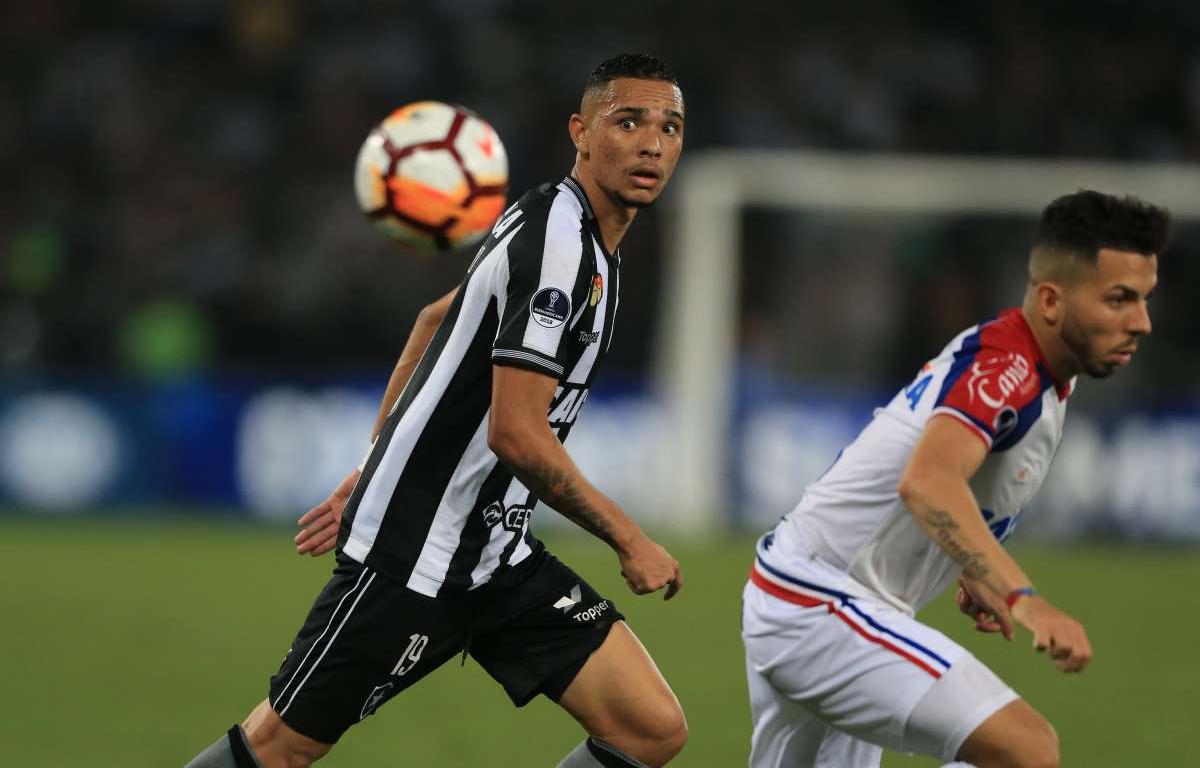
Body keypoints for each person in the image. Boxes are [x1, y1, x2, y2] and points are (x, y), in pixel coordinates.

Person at [185, 53, 688, 768]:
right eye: (628, 121)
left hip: (495, 555)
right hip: (414, 553)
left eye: (669, 127)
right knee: (278, 747)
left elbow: (432, 321)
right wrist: (628, 538)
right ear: (580, 131)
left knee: (651, 726)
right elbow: (515, 433)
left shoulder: (575, 233)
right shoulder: (558, 246)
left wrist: (367, 464)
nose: (651, 144)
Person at [742, 190, 1169, 768]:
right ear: (1051, 299)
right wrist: (1026, 601)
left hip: (815, 599)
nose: (1140, 322)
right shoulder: (1008, 368)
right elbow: (928, 482)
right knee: (1028, 751)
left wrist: (971, 565)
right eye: (1119, 299)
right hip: (822, 604)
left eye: (1144, 300)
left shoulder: (1030, 370)